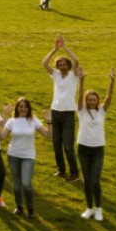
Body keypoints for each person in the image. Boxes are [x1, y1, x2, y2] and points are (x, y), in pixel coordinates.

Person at [0, 97, 52, 218]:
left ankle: (31, 209)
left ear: (28, 108)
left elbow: (48, 134)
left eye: (25, 106)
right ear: (17, 108)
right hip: (13, 155)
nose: (23, 109)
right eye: (20, 106)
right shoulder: (11, 121)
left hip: (28, 156)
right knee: (16, 183)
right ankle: (19, 207)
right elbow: (2, 137)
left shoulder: (34, 120)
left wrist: (49, 122)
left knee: (26, 183)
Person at [76, 66, 116, 221]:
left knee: (95, 179)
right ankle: (89, 208)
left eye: (94, 99)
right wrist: (82, 81)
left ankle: (98, 208)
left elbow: (109, 97)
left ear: (97, 101)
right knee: (87, 179)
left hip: (98, 148)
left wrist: (112, 82)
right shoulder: (81, 110)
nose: (92, 101)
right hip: (83, 148)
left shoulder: (102, 111)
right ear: (86, 101)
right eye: (89, 99)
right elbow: (79, 97)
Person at [42, 35, 81, 181]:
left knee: (68, 146)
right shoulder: (56, 75)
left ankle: (74, 173)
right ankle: (61, 170)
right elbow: (44, 63)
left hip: (69, 114)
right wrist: (54, 49)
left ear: (68, 66)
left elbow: (76, 60)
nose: (62, 67)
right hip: (55, 112)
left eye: (65, 64)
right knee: (56, 143)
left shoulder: (74, 76)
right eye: (60, 65)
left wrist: (64, 47)